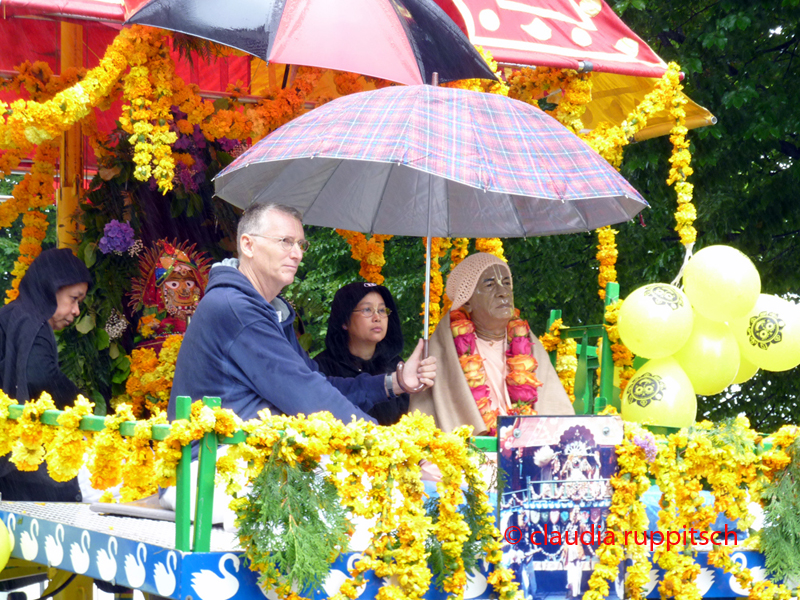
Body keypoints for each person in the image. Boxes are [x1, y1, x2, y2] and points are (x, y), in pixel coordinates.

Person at [164, 204, 436, 520]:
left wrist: (395, 382)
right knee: (403, 500)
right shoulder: (236, 309)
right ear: (248, 245)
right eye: (285, 241)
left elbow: (317, 382)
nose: (297, 254)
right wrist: (398, 453)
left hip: (258, 466)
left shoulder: (264, 310)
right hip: (217, 474)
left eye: (300, 244)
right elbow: (309, 397)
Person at [410, 252, 573, 435]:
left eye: (506, 283)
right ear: (468, 302)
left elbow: (557, 412)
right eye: (489, 285)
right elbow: (426, 424)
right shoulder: (443, 349)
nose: (503, 292)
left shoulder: (529, 344)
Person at [0, 247, 92, 501]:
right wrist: (81, 406)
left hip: (11, 468)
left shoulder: (11, 316)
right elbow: (38, 375)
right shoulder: (33, 322)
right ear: (51, 288)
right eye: (74, 298)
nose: (76, 311)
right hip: (32, 471)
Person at [314, 282, 408, 425]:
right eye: (367, 310)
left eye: (382, 310)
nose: (377, 317)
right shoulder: (322, 367)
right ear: (344, 321)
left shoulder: (396, 366)